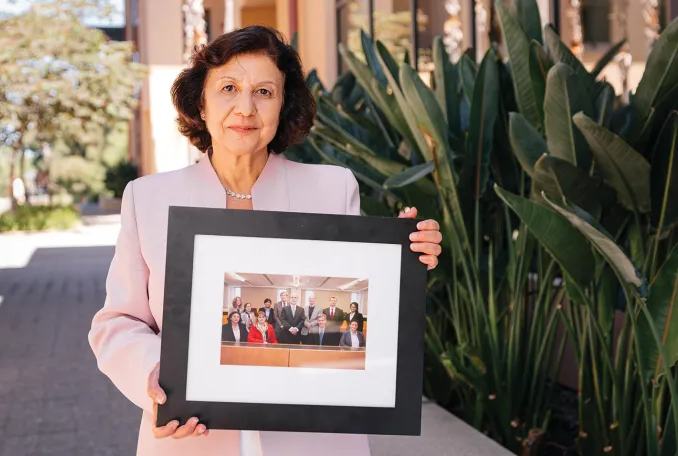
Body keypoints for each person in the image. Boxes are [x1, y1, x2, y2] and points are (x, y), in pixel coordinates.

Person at [88, 25, 442, 456]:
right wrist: (156, 377)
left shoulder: (333, 188)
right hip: (192, 438)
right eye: (228, 88)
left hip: (314, 440)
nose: (245, 108)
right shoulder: (147, 198)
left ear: (283, 106)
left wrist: (404, 258)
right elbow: (117, 323)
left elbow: (365, 310)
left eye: (264, 92)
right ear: (201, 103)